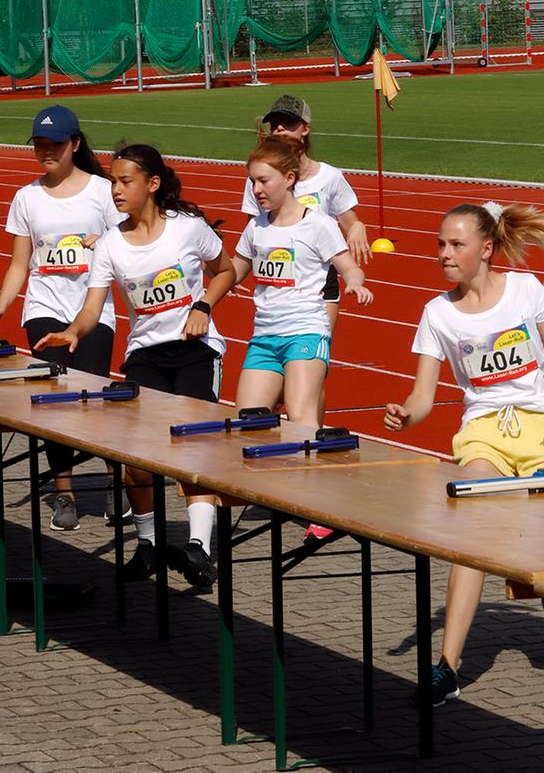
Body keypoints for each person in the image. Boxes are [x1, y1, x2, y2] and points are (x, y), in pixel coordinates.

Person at [384, 201, 544, 707]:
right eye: (440, 245)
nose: (445, 254)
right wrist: (406, 415)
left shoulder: (526, 290)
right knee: (469, 529)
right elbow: (424, 399)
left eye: (456, 245)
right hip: (485, 434)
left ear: (487, 249)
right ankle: (447, 666)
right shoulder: (437, 313)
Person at [35, 144, 236, 588]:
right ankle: (148, 545)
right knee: (138, 459)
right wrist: (73, 332)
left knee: (194, 451)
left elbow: (226, 270)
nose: (116, 190)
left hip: (195, 351)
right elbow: (92, 308)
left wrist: (203, 304)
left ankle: (199, 548)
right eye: (113, 181)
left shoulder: (187, 228)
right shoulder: (109, 244)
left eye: (126, 181)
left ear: (153, 184)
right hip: (144, 356)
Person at [0, 105, 121, 532]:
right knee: (55, 401)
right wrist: (2, 304)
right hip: (43, 307)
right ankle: (64, 493)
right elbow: (20, 263)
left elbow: (132, 235)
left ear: (74, 144)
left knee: (95, 398)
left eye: (54, 144)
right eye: (40, 144)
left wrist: (109, 238)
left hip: (94, 308)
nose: (46, 151)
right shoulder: (26, 197)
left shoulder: (101, 191)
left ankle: (119, 485)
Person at [232, 134, 373, 429]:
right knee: (246, 423)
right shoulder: (256, 228)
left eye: (263, 181)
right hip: (264, 337)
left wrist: (354, 282)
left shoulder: (318, 224)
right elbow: (234, 269)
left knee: (300, 420)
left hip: (305, 332)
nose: (256, 190)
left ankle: (312, 473)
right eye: (252, 182)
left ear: (289, 178)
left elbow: (349, 267)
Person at [241, 96, 369, 374]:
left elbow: (349, 220)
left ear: (305, 128)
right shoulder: (259, 180)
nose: (280, 130)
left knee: (314, 371)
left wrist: (357, 226)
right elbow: (256, 233)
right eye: (275, 125)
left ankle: (310, 418)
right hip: (277, 291)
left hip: (319, 287)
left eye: (288, 124)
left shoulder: (328, 177)